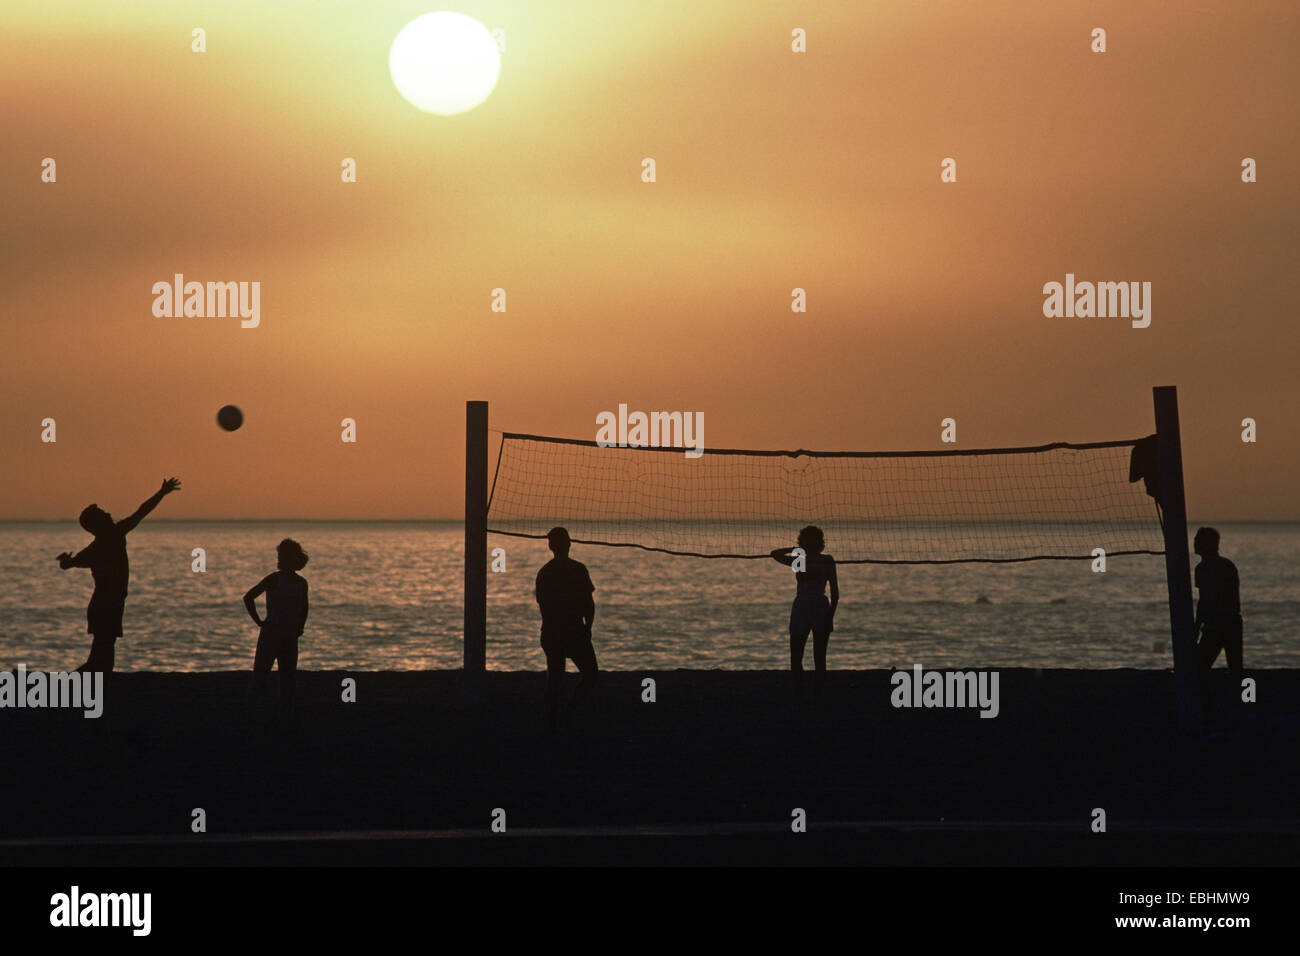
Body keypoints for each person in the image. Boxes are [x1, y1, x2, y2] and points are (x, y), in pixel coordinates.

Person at [57, 477, 182, 673]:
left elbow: (68, 564)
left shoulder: (96, 547)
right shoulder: (112, 537)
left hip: (107, 605)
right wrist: (161, 493)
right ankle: (62, 686)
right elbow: (141, 512)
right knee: (101, 662)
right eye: (102, 514)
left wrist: (65, 560)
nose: (108, 513)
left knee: (102, 661)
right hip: (106, 605)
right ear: (97, 524)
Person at [535, 527, 597, 731]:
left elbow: (543, 606)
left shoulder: (544, 572)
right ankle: (567, 713)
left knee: (554, 677)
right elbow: (589, 604)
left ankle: (552, 720)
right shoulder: (578, 569)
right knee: (590, 675)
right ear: (569, 544)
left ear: (551, 546)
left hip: (552, 632)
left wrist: (553, 629)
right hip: (573, 630)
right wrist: (587, 628)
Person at [771, 525, 839, 698]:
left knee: (819, 657)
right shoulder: (800, 559)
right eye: (806, 540)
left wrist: (830, 617)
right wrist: (795, 550)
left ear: (819, 542)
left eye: (812, 539)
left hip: (819, 607)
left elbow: (835, 593)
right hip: (802, 606)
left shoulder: (826, 560)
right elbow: (775, 554)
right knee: (796, 655)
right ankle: (800, 693)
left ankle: (817, 694)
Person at [244, 539, 310, 709]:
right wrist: (258, 621)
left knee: (278, 678)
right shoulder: (285, 581)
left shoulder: (292, 582)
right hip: (280, 634)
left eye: (281, 556)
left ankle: (275, 714)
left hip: (279, 634)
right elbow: (248, 598)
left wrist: (259, 621)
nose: (279, 559)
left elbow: (304, 607)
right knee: (275, 678)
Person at [1192, 526, 1243, 713]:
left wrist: (1197, 628)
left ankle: (1208, 710)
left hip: (1220, 624)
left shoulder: (1205, 569)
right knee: (1235, 670)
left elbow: (1205, 601)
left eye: (1198, 540)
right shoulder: (1226, 565)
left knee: (1200, 670)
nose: (1194, 543)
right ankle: (1242, 707)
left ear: (1208, 544)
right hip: (1230, 623)